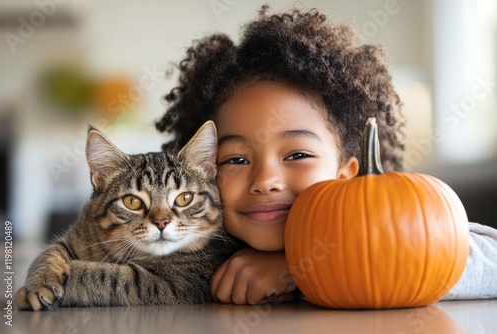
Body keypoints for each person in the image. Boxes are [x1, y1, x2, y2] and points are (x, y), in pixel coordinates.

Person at [156, 5, 497, 304]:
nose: (265, 181)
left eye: (297, 155)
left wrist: (304, 269)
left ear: (347, 174)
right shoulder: (189, 243)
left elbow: (490, 262)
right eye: (237, 160)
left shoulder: (388, 225)